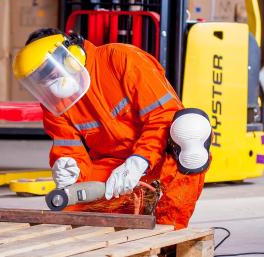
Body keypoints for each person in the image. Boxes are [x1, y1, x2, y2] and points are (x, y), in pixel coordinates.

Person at [13, 28, 212, 229]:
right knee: (69, 207)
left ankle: (169, 232)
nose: (49, 84)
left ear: (71, 56)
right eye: (40, 79)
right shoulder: (55, 103)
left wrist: (139, 160)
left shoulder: (122, 59)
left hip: (159, 155)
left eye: (50, 72)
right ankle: (134, 208)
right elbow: (68, 147)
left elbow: (163, 116)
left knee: (191, 130)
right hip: (113, 167)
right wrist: (68, 168)